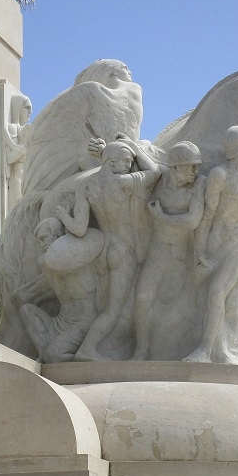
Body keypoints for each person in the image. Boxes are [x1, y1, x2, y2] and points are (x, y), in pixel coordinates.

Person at [58, 138, 161, 361]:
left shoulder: (85, 186)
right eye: (125, 160)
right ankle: (87, 349)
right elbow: (156, 171)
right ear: (111, 160)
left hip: (105, 252)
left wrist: (64, 216)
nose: (129, 164)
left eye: (131, 161)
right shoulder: (123, 183)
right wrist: (134, 146)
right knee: (113, 311)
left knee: (113, 308)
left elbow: (78, 228)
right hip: (124, 254)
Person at [187, 126, 238, 363]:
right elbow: (208, 214)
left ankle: (205, 349)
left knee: (217, 291)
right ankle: (214, 347)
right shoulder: (220, 175)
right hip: (216, 241)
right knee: (199, 295)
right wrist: (199, 249)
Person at [132, 141, 206, 360]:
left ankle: (168, 351)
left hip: (181, 257)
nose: (196, 171)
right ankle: (141, 349)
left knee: (174, 307)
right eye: (191, 166)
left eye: (197, 166)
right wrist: (127, 144)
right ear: (175, 167)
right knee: (143, 298)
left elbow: (193, 220)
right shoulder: (161, 177)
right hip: (157, 251)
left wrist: (161, 217)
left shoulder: (198, 185)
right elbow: (142, 160)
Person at [18, 217, 103, 363]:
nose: (42, 244)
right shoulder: (44, 262)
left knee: (54, 355)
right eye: (39, 241)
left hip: (82, 321)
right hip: (60, 322)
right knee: (26, 311)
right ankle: (44, 353)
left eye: (44, 238)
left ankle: (72, 358)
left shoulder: (78, 255)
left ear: (57, 236)